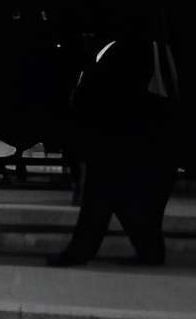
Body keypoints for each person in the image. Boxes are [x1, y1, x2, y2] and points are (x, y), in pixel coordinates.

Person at [54, 23, 178, 266]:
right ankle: (147, 248)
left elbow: (102, 91)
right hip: (131, 133)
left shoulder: (123, 49)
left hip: (117, 133)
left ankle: (85, 250)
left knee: (104, 194)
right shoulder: (148, 48)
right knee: (117, 198)